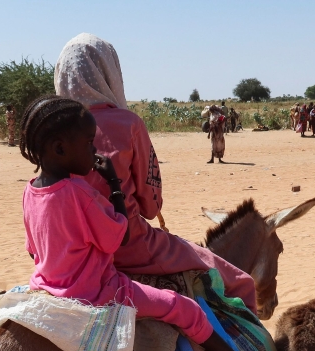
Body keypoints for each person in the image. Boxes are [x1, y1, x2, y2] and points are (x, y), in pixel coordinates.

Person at [17, 95, 310, 351]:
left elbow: (32, 249)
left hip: (45, 285)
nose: (95, 149)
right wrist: (115, 185)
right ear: (60, 149)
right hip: (98, 290)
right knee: (186, 309)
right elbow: (116, 238)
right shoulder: (81, 193)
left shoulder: (30, 191)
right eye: (90, 142)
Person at [54, 33, 257, 312]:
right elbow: (151, 206)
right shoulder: (128, 124)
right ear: (110, 72)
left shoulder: (50, 128)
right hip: (130, 248)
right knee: (241, 281)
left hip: (62, 252)